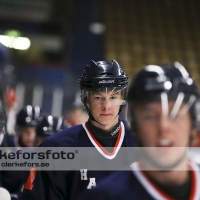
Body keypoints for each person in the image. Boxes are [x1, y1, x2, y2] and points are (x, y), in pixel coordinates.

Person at [80, 62, 200, 200]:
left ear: (193, 124)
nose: (163, 127)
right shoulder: (104, 196)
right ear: (135, 125)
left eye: (175, 115)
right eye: (149, 117)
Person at [21, 59, 135, 200]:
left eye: (113, 97)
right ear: (86, 99)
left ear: (122, 98)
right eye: (99, 97)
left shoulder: (144, 143)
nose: (106, 106)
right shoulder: (56, 148)